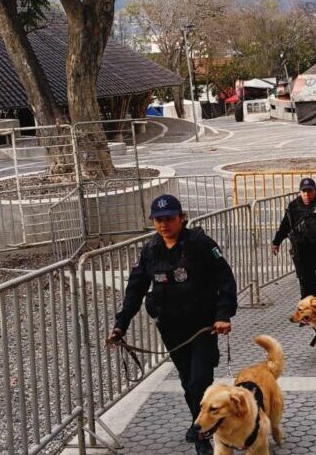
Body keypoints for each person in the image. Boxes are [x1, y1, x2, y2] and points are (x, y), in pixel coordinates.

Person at [105, 194, 237, 455]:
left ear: (181, 218)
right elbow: (136, 288)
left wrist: (223, 315)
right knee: (188, 382)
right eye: (159, 220)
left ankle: (202, 437)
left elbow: (225, 279)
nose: (164, 224)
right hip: (172, 328)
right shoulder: (150, 251)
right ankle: (197, 421)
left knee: (200, 381)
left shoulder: (200, 243)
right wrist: (121, 325)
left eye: (169, 219)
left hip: (202, 325)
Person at [271, 178, 316, 298]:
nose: (307, 195)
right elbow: (285, 226)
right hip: (302, 251)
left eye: (310, 191)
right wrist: (276, 242)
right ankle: (311, 314)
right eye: (304, 192)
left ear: (315, 190)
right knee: (308, 288)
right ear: (300, 192)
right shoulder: (294, 206)